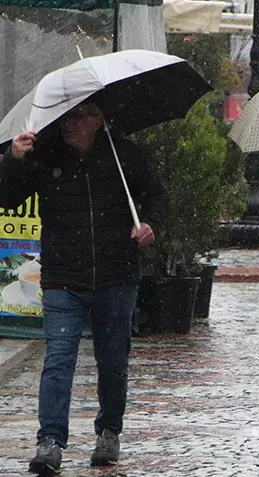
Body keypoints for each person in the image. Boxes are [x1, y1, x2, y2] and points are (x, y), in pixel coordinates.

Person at [0, 101, 166, 473]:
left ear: (97, 120)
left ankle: (109, 432)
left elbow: (155, 196)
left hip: (116, 275)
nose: (69, 125)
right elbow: (7, 199)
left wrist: (151, 224)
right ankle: (50, 442)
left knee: (112, 361)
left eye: (78, 117)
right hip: (63, 277)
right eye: (64, 118)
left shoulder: (124, 156)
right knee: (58, 361)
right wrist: (12, 158)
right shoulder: (44, 155)